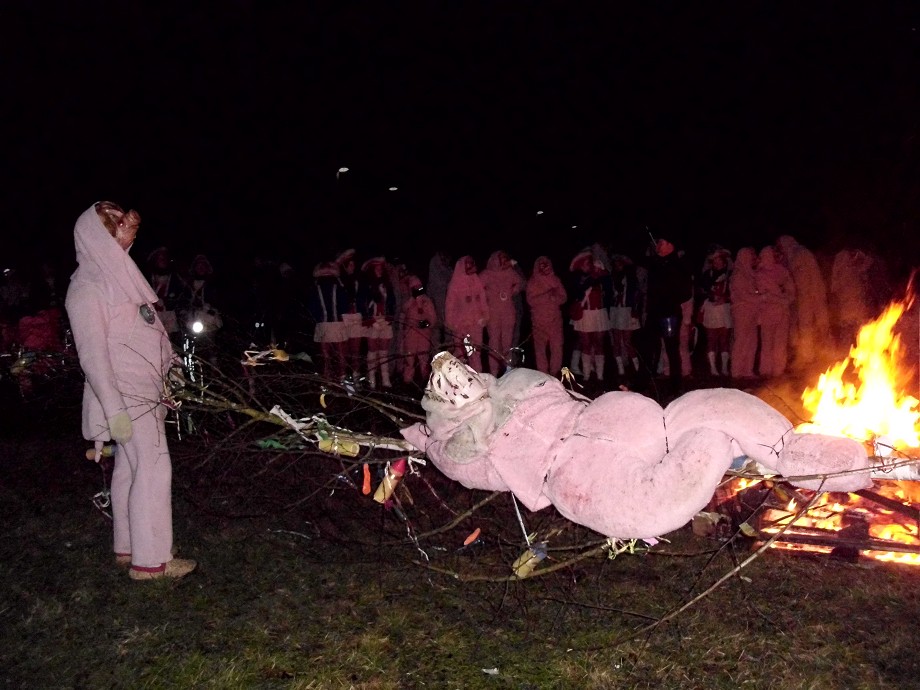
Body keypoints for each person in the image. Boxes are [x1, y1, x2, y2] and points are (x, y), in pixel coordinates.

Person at [64, 201, 196, 580]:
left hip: (146, 389)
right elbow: (93, 356)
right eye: (118, 229)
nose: (127, 236)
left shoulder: (119, 274)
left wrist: (171, 369)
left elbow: (148, 329)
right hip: (127, 395)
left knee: (129, 468)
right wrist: (114, 408)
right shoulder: (88, 285)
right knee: (153, 468)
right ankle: (151, 560)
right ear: (98, 235)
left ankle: (127, 545)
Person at [640, 234, 693, 395]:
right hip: (654, 313)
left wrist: (670, 297)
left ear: (670, 245)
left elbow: (686, 292)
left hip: (670, 313)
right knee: (647, 347)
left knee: (672, 349)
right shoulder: (655, 264)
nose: (658, 245)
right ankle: (642, 382)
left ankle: (675, 385)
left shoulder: (679, 265)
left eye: (661, 243)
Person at [775, 234, 830, 368]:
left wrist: (804, 295)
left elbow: (805, 277)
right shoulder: (792, 256)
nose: (780, 249)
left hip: (810, 295)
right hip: (808, 296)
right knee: (810, 326)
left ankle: (823, 353)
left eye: (780, 246)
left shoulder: (800, 254)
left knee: (816, 325)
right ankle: (811, 355)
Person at [567, 246, 612, 387]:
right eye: (586, 263)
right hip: (585, 314)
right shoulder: (578, 277)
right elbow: (579, 292)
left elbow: (609, 292)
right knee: (585, 344)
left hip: (599, 313)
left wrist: (603, 274)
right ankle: (586, 376)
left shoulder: (602, 276)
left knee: (599, 344)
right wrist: (592, 278)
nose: (589, 265)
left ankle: (600, 376)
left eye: (590, 262)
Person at [480, 249, 525, 376]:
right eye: (502, 260)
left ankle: (508, 370)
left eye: (506, 259)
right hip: (493, 313)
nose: (504, 262)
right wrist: (487, 295)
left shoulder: (510, 272)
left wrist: (513, 290)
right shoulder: (487, 274)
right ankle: (494, 372)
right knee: (494, 343)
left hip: (508, 312)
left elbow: (521, 283)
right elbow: (476, 289)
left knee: (507, 343)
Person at [755, 245, 795, 378]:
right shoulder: (759, 274)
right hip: (768, 313)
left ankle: (779, 370)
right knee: (767, 343)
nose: (768, 258)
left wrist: (786, 299)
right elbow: (764, 294)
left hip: (783, 312)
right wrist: (780, 299)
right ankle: (765, 370)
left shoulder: (782, 271)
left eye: (770, 255)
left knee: (780, 343)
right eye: (765, 255)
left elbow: (791, 290)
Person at [444, 255, 489, 373]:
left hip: (476, 324)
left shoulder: (476, 280)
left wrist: (485, 316)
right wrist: (452, 323)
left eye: (471, 263)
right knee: (462, 353)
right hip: (462, 326)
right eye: (468, 264)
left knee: (475, 352)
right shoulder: (455, 284)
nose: (471, 266)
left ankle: (477, 376)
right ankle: (459, 377)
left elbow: (483, 300)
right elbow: (449, 306)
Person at [525, 255, 567, 376]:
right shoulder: (533, 282)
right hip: (539, 320)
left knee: (557, 347)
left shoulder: (555, 280)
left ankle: (555, 372)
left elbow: (563, 297)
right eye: (542, 266)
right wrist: (546, 295)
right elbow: (530, 300)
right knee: (540, 349)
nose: (544, 268)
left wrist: (555, 297)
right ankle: (543, 373)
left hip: (555, 319)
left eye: (546, 265)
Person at [360, 256, 397, 388]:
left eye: (381, 267)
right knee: (372, 350)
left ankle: (385, 378)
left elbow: (392, 301)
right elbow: (361, 303)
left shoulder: (387, 284)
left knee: (384, 351)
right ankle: (372, 379)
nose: (380, 270)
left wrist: (390, 317)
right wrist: (369, 319)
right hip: (373, 320)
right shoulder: (366, 285)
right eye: (377, 267)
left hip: (385, 320)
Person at [307, 261, 348, 380]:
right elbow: (344, 306)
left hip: (323, 323)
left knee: (326, 356)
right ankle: (342, 378)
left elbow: (312, 307)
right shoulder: (338, 286)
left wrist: (317, 318)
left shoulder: (315, 287)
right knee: (340, 354)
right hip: (336, 323)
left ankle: (327, 379)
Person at [697, 245, 733, 377]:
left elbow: (734, 293)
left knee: (724, 339)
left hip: (724, 309)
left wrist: (726, 298)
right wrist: (711, 296)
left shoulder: (730, 275)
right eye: (715, 260)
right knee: (711, 338)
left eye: (719, 260)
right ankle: (713, 368)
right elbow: (702, 290)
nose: (717, 262)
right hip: (711, 309)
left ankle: (724, 368)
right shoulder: (707, 275)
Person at [607, 252, 642, 380]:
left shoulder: (631, 278)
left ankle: (637, 367)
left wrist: (635, 309)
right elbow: (608, 295)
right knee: (616, 341)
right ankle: (620, 368)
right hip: (615, 310)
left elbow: (636, 296)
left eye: (620, 264)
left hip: (627, 310)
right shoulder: (611, 278)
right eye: (616, 264)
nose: (618, 266)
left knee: (627, 341)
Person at [399, 274, 438, 386]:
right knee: (409, 358)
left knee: (423, 358)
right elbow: (403, 312)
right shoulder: (408, 302)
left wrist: (427, 323)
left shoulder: (427, 301)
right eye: (415, 287)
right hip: (410, 334)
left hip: (423, 334)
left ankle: (425, 381)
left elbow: (433, 318)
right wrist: (413, 300)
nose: (417, 289)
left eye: (419, 287)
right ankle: (407, 381)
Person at [729, 247, 760, 379]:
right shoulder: (738, 275)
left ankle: (747, 370)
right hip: (741, 311)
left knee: (752, 341)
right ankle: (736, 370)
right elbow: (744, 295)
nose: (752, 259)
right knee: (741, 340)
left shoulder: (750, 274)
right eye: (750, 256)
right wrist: (761, 297)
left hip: (752, 311)